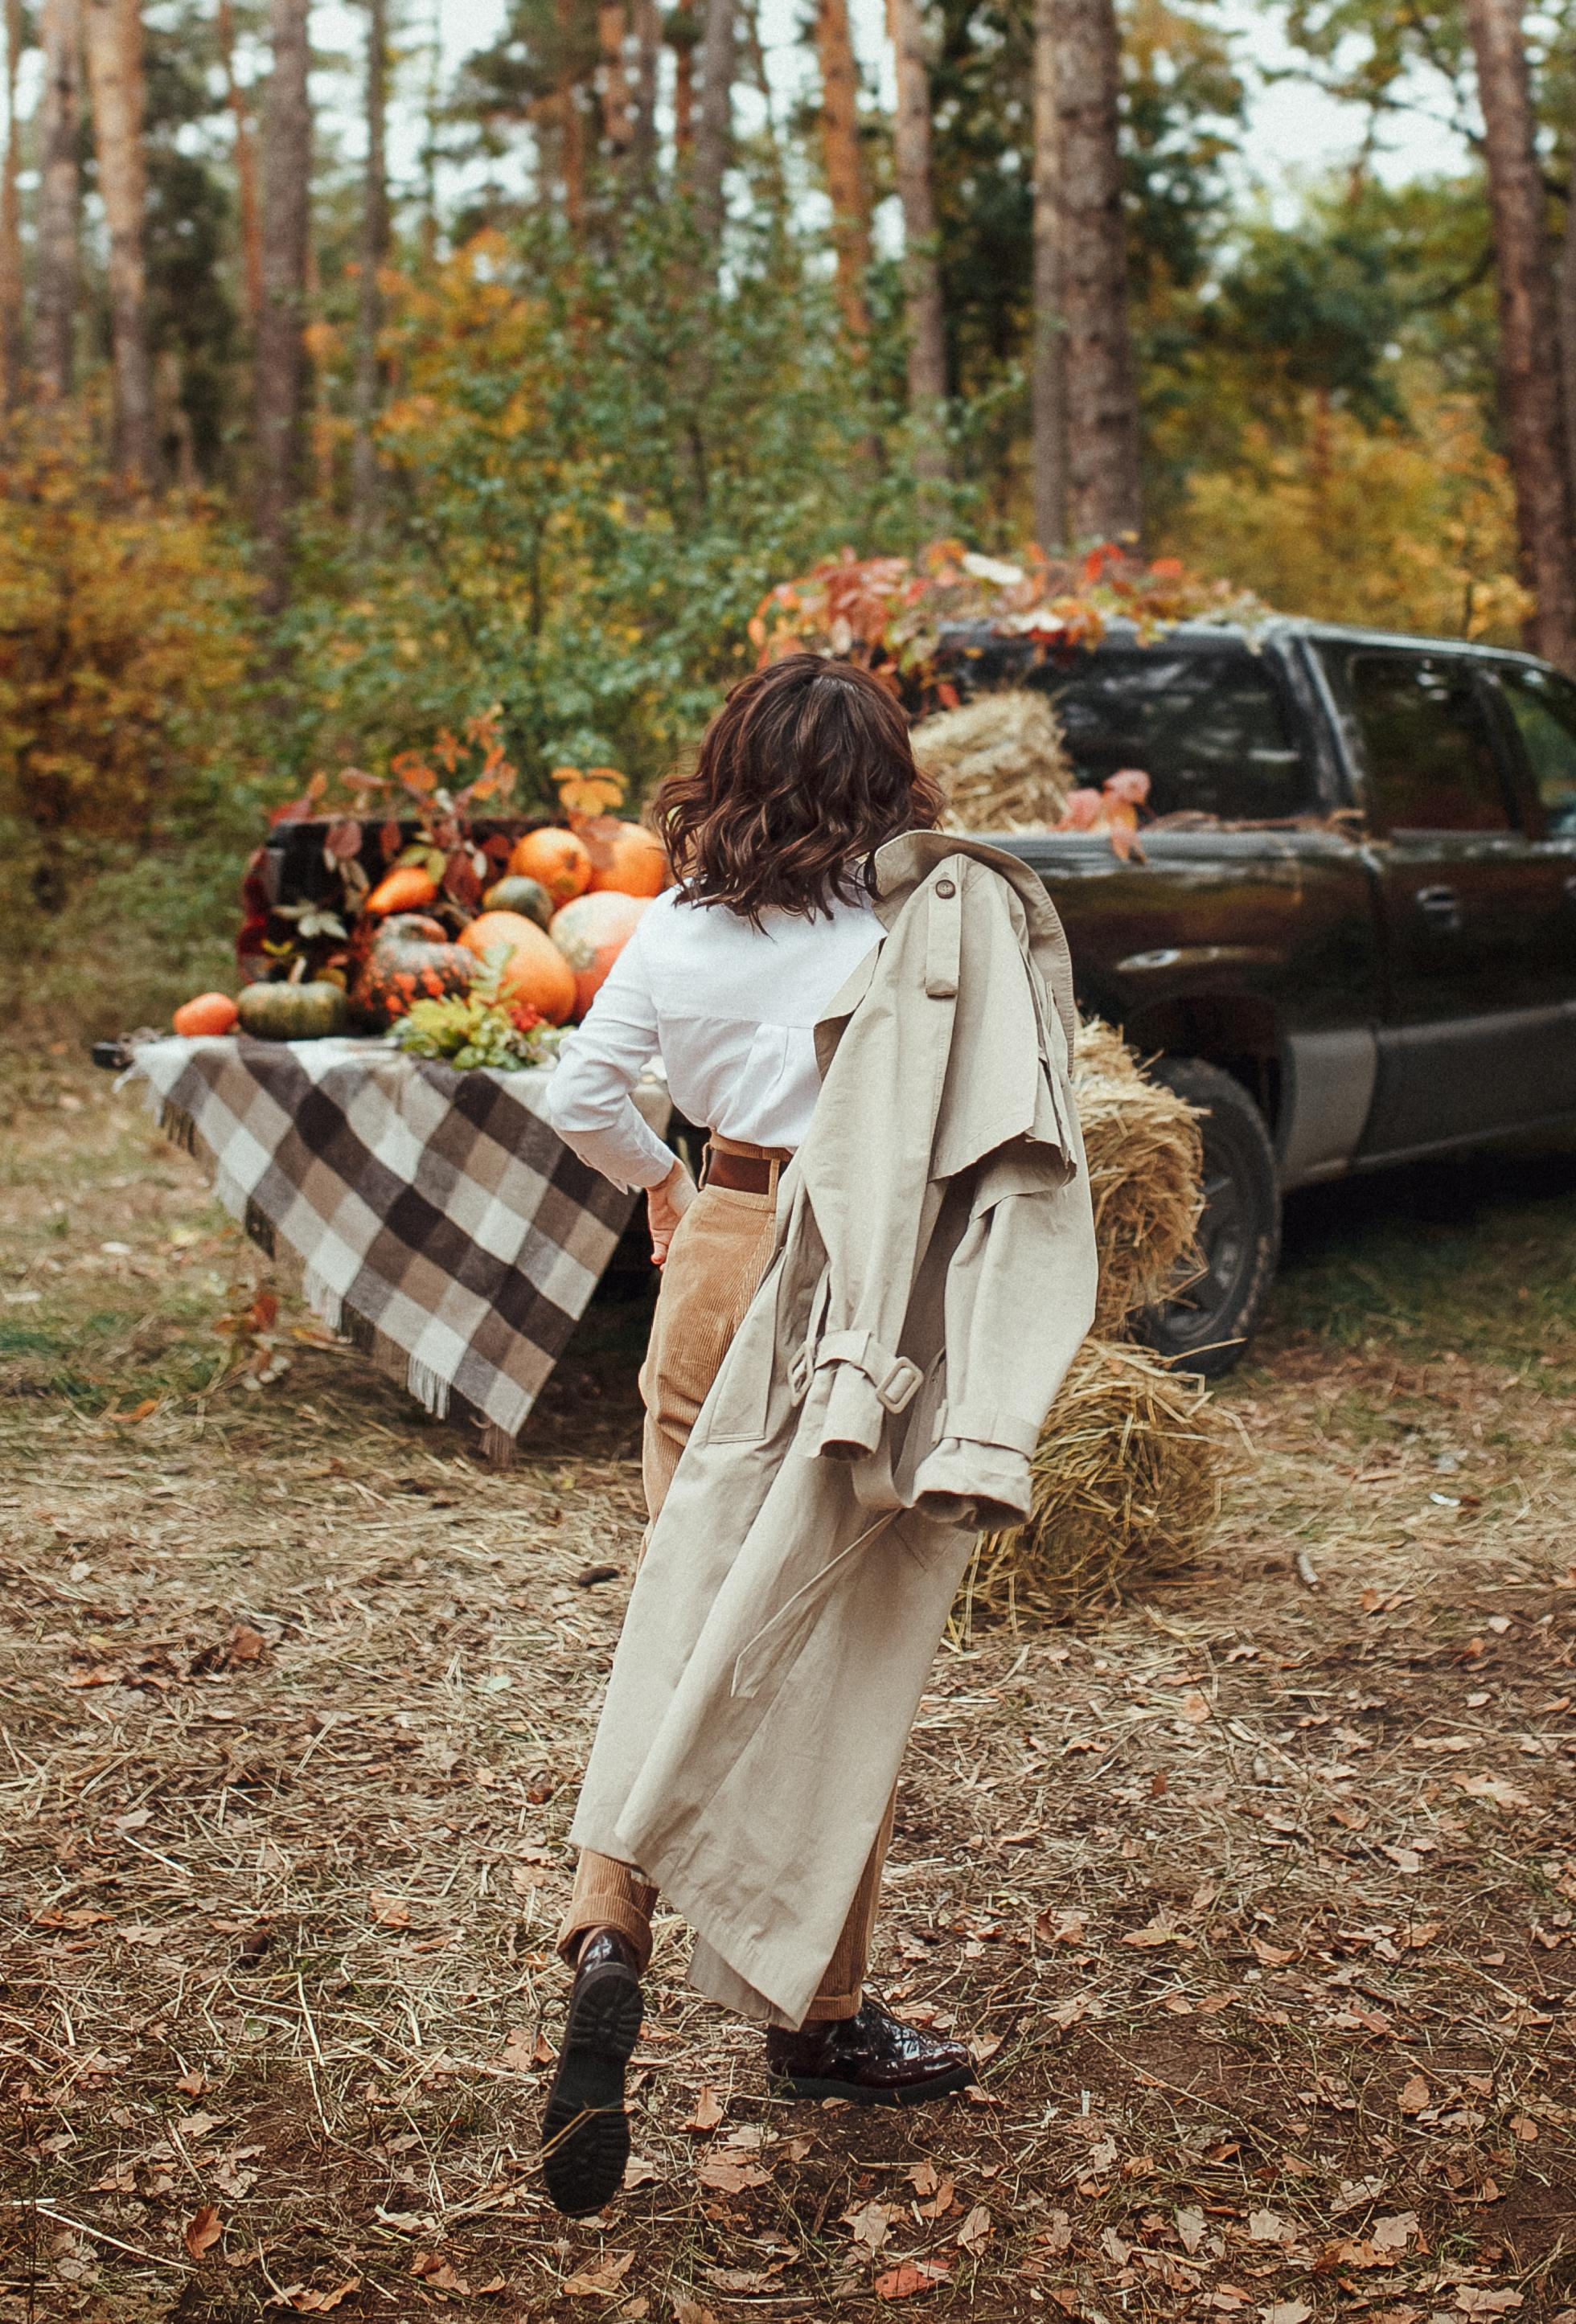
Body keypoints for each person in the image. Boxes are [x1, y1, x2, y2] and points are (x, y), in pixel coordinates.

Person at [539, 652, 1097, 2218]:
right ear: (884, 782)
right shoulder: (910, 933)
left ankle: (607, 1930)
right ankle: (819, 2022)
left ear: (723, 773)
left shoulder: (677, 926)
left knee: (687, 1617)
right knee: (821, 1647)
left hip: (719, 1250)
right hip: (856, 1285)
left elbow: (580, 1093)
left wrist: (663, 1182)